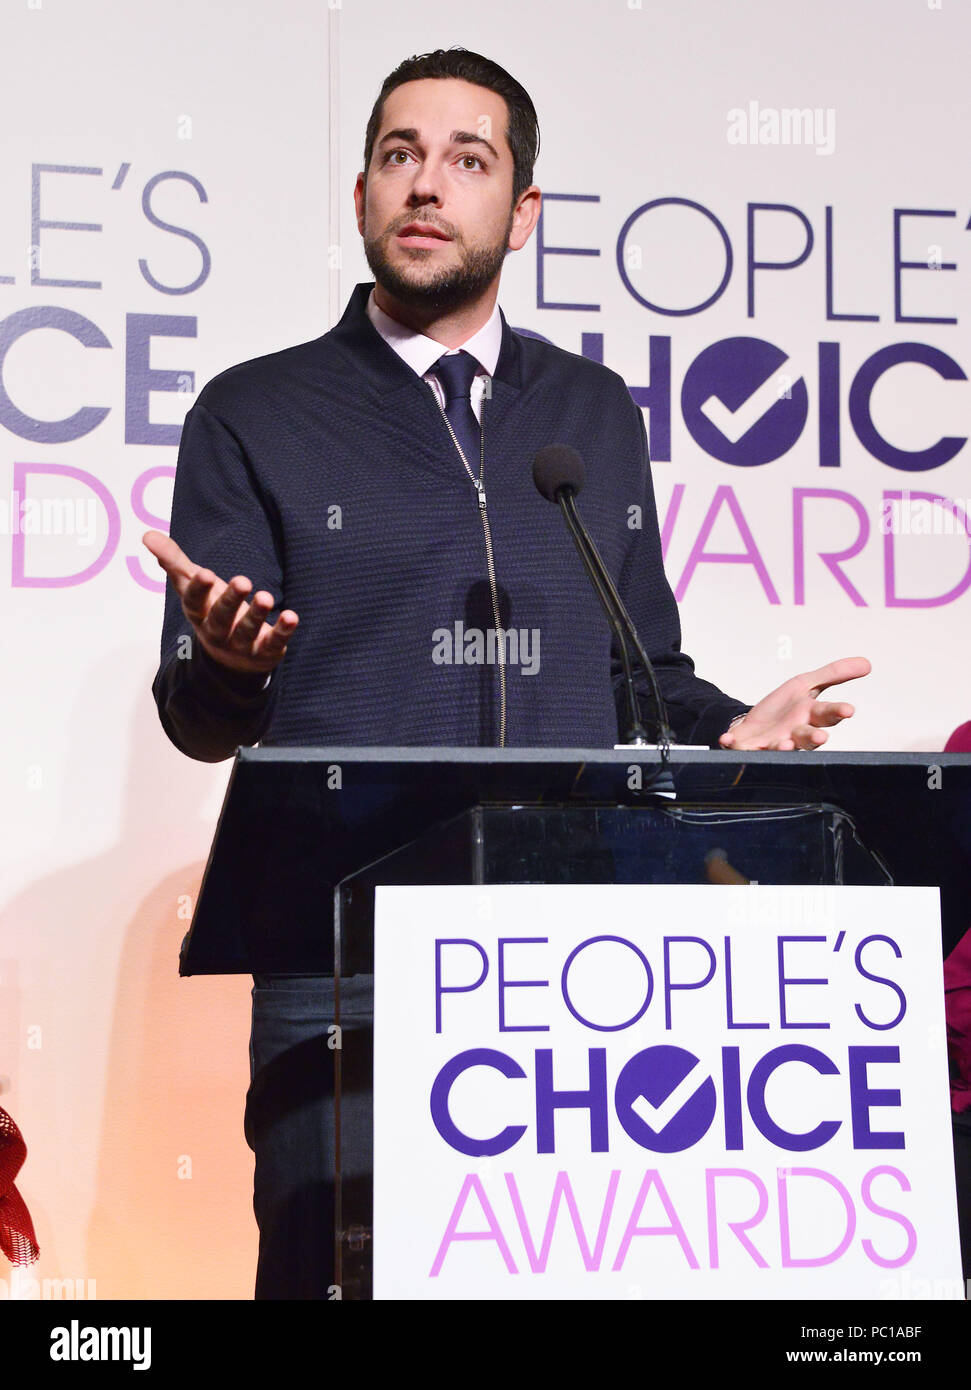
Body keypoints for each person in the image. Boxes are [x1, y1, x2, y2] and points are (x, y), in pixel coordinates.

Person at [144, 48, 870, 1297]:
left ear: (521, 210)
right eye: (398, 155)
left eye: (466, 159)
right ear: (360, 196)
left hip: (565, 978)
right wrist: (226, 665)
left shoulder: (589, 415)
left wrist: (725, 726)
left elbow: (640, 671)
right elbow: (200, 717)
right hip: (342, 978)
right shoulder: (254, 410)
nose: (427, 184)